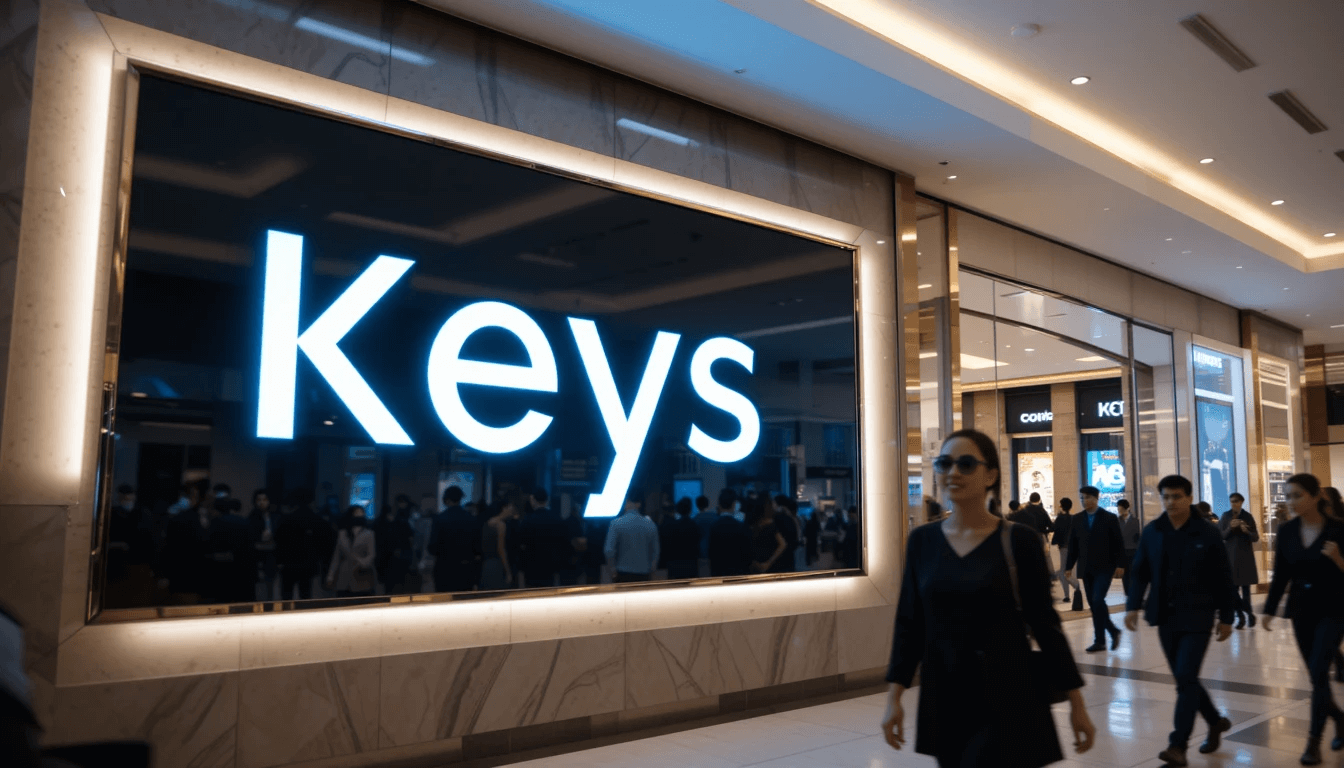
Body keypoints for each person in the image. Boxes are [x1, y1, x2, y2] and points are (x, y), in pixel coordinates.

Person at [882, 428, 1093, 767]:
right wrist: (894, 697)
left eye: (966, 464)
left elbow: (1045, 624)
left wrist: (1077, 703)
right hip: (946, 693)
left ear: (991, 475)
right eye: (944, 464)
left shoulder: (1019, 541)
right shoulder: (923, 542)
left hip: (1008, 692)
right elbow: (910, 622)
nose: (953, 473)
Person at [1124, 474, 1236, 766]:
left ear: (1189, 498)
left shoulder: (1207, 532)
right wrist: (1132, 606)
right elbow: (1140, 572)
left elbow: (1224, 576)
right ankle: (1214, 721)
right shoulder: (1153, 531)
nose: (1171, 502)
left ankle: (1178, 745)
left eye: (1176, 496)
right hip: (1165, 616)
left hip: (1198, 615)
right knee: (1186, 680)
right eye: (1166, 497)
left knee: (1185, 677)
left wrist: (1227, 616)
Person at [1261, 473, 1344, 765]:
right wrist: (1269, 609)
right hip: (1301, 611)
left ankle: (1313, 742)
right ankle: (1339, 718)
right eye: (1287, 496)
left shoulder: (1338, 529)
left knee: (1319, 671)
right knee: (1316, 677)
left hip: (1333, 610)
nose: (1291, 501)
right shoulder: (1286, 531)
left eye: (1297, 495)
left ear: (1316, 495)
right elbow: (1281, 573)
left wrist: (1339, 559)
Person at [1065, 485, 1126, 652]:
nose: (1085, 501)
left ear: (1096, 498)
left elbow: (1118, 543)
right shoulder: (1077, 519)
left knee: (1098, 599)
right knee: (1094, 605)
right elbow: (1073, 546)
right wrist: (1068, 566)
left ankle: (1108, 634)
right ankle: (1102, 639)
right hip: (1086, 568)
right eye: (1082, 498)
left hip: (1105, 567)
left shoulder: (1109, 518)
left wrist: (1121, 564)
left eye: (1088, 498)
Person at [1218, 492, 1259, 629]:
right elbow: (1221, 535)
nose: (1233, 504)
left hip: (1246, 558)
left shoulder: (1248, 516)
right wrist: (1230, 527)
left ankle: (1248, 616)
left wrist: (1246, 531)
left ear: (1241, 502)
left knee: (1246, 591)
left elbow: (1255, 537)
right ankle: (1243, 615)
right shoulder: (1226, 516)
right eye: (1231, 501)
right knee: (1232, 591)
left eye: (1236, 501)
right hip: (1230, 558)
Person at [428, 486, 480, 593]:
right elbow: (477, 547)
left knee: (444, 599)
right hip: (465, 568)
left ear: (446, 499)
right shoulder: (471, 519)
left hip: (444, 568)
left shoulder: (439, 519)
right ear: (460, 499)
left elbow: (433, 547)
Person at [603, 487, 659, 582]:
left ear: (627, 501)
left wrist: (612, 571)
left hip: (622, 572)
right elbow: (655, 552)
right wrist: (652, 570)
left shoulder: (616, 523)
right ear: (640, 504)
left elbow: (609, 550)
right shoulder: (651, 525)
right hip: (644, 573)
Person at [206, 497, 255, 604]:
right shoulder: (244, 522)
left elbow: (209, 545)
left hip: (222, 571)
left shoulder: (215, 523)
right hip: (243, 570)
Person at [516, 488, 568, 588]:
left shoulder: (527, 521)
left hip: (532, 567)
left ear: (533, 500)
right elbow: (563, 543)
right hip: (551, 566)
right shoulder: (556, 519)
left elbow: (521, 545)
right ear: (547, 500)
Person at [326, 506, 376, 597]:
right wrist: (330, 575)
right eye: (357, 513)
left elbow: (371, 554)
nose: (359, 516)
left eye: (361, 513)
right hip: (344, 574)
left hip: (361, 574)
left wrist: (362, 563)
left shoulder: (369, 534)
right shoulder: (342, 533)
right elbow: (336, 557)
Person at [372, 495, 414, 595]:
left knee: (391, 586)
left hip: (391, 557)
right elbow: (409, 538)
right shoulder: (398, 522)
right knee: (395, 585)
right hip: (393, 558)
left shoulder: (399, 521)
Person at [479, 493, 520, 590]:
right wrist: (508, 571)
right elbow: (501, 549)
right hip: (497, 565)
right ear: (504, 508)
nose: (512, 510)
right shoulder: (501, 525)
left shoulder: (488, 522)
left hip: (486, 564)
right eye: (510, 507)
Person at [708, 489, 752, 577]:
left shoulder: (713, 527)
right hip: (738, 572)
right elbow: (747, 554)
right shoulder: (741, 526)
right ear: (734, 504)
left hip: (718, 572)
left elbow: (711, 553)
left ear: (719, 505)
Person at [248, 489, 279, 601]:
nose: (262, 502)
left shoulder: (274, 516)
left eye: (265, 499)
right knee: (259, 587)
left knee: (271, 585)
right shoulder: (252, 517)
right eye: (259, 500)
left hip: (272, 554)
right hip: (257, 555)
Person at [747, 499, 788, 573]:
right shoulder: (772, 524)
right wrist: (769, 562)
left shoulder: (754, 525)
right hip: (769, 563)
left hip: (756, 563)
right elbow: (783, 544)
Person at [1052, 497, 1079, 604]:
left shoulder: (1060, 518)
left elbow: (1054, 528)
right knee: (1068, 571)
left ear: (1061, 506)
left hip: (1064, 547)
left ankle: (1075, 588)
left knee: (1063, 573)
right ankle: (1069, 593)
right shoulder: (1074, 518)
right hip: (1073, 547)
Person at [771, 495, 802, 573]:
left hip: (780, 560)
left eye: (773, 503)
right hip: (790, 558)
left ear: (778, 504)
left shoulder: (778, 518)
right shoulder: (793, 518)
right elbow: (797, 538)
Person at [1117, 499, 1140, 599]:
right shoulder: (1117, 521)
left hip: (1133, 551)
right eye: (1118, 510)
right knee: (1124, 575)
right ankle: (1127, 594)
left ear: (1127, 509)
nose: (1120, 512)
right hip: (1122, 552)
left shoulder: (1136, 521)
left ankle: (1133, 593)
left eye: (1121, 509)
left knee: (1133, 573)